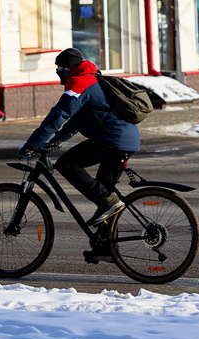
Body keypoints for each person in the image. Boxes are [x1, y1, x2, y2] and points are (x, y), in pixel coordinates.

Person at [18, 48, 140, 226]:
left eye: (60, 67)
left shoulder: (79, 83)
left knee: (67, 164)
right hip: (124, 139)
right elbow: (77, 120)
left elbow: (59, 114)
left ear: (68, 69)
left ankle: (109, 201)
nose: (58, 71)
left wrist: (32, 144)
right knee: (105, 202)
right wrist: (57, 140)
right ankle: (104, 251)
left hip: (113, 139)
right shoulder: (90, 79)